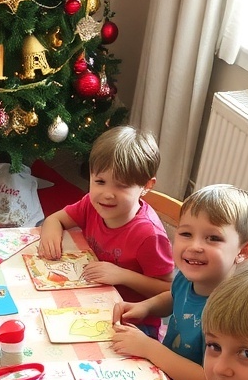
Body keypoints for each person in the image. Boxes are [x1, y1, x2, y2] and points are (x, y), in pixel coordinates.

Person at [112, 184, 248, 380]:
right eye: (186, 234)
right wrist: (146, 307)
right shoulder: (186, 277)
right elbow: (174, 298)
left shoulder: (232, 313)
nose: (195, 246)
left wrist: (150, 348)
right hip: (164, 379)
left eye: (213, 238)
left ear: (242, 252)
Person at [38, 126, 174, 337]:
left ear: (146, 186)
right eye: (100, 181)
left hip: (133, 321)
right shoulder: (91, 205)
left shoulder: (149, 235)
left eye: (122, 186)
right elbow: (56, 219)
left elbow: (169, 292)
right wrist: (50, 230)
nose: (107, 194)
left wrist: (122, 276)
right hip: (89, 297)